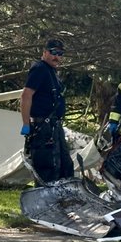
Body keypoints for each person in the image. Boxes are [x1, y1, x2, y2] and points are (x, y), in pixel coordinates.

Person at [20, 38, 76, 184]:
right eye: (53, 52)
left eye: (60, 53)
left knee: (65, 167)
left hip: (54, 126)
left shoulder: (51, 71)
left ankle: (64, 202)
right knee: (48, 169)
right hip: (42, 128)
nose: (56, 56)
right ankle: (46, 202)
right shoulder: (40, 68)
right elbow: (26, 95)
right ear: (44, 52)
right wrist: (26, 124)